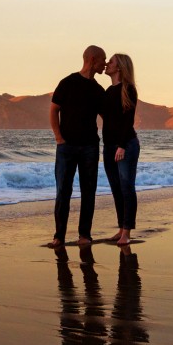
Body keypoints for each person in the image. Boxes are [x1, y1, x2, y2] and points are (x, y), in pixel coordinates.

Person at [49, 45, 106, 247]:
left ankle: (85, 235)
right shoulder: (67, 83)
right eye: (102, 60)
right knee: (63, 191)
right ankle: (59, 236)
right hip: (66, 147)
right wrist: (58, 138)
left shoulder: (99, 90)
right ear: (92, 59)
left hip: (90, 146)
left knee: (88, 191)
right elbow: (54, 110)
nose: (105, 64)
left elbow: (107, 117)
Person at [101, 53, 140, 245]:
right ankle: (120, 227)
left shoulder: (128, 89)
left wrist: (122, 145)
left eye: (111, 62)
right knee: (116, 188)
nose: (107, 64)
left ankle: (127, 232)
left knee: (126, 188)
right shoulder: (108, 91)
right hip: (108, 146)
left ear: (119, 68)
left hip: (125, 145)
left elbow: (128, 120)